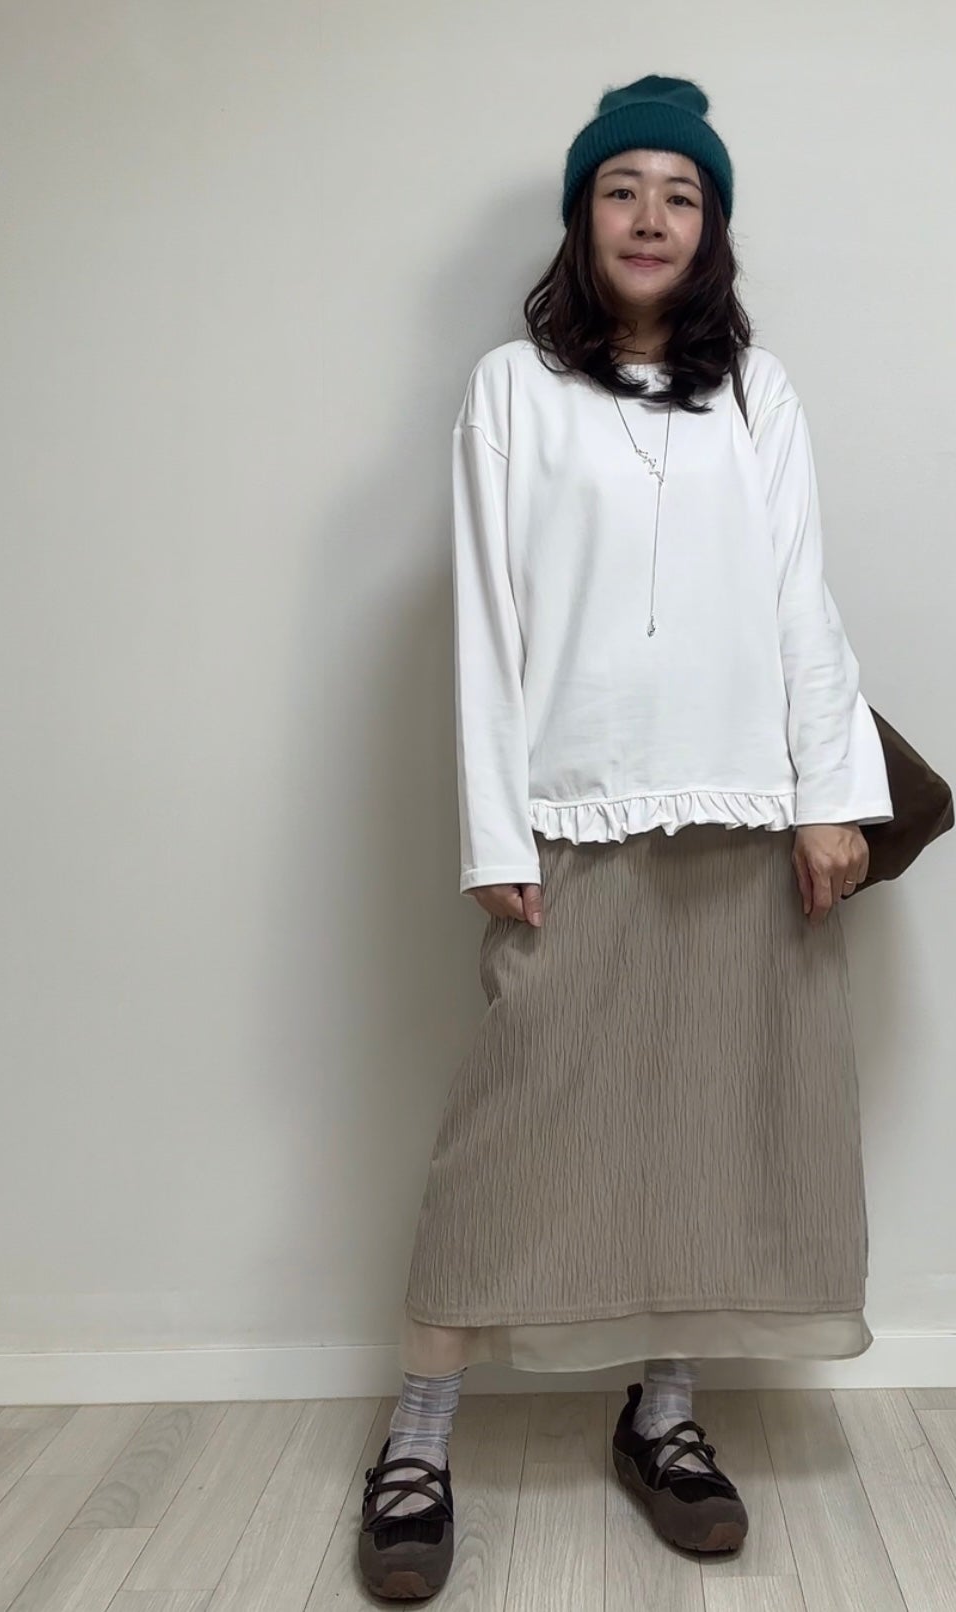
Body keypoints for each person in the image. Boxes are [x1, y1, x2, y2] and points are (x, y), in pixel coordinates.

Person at [358, 73, 893, 1601]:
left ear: (709, 226)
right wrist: (493, 832)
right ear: (580, 217)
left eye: (680, 192)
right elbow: (488, 622)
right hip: (574, 804)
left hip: (745, 810)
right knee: (513, 1125)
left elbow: (798, 597)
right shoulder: (510, 391)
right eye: (621, 188)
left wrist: (829, 796)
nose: (650, 216)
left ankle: (662, 1415)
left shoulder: (757, 393)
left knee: (710, 1120)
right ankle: (419, 1431)